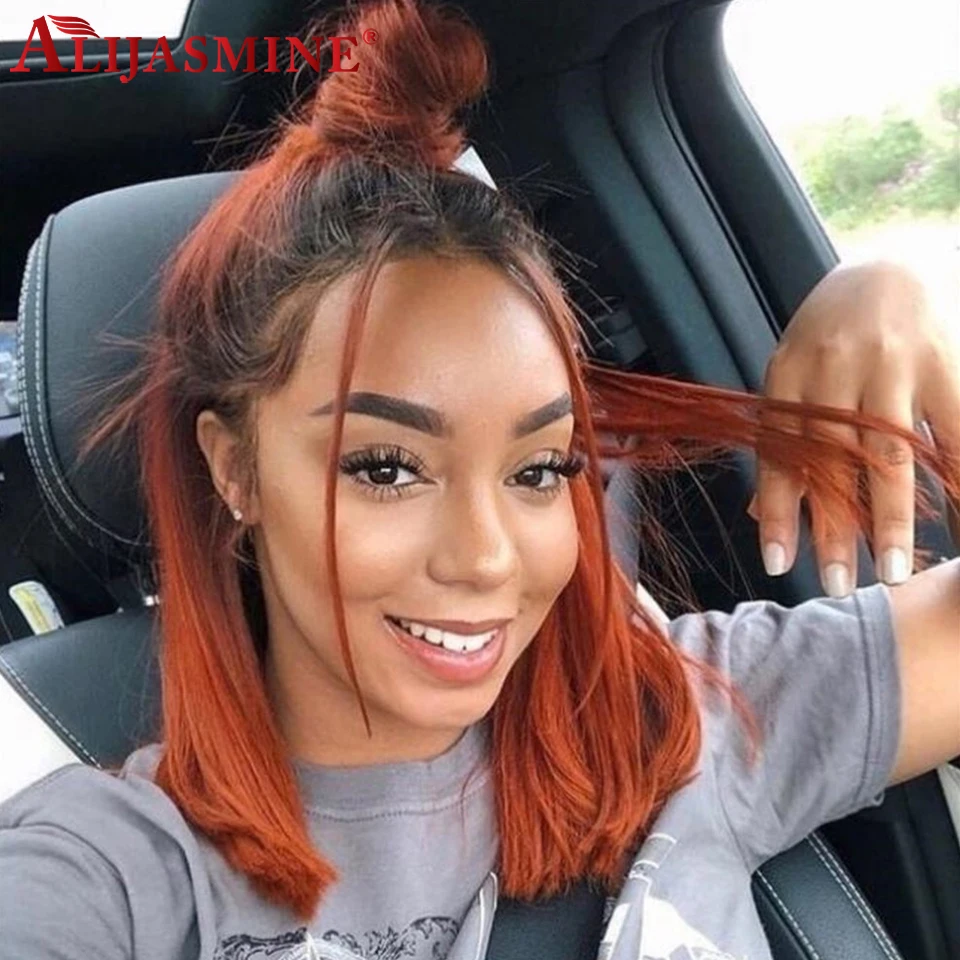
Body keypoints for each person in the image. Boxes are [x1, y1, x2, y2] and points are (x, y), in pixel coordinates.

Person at [1, 2, 958, 959]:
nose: (488, 557)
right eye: (387, 467)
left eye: (538, 469)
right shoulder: (114, 874)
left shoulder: (685, 719)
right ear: (234, 467)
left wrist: (893, 301)